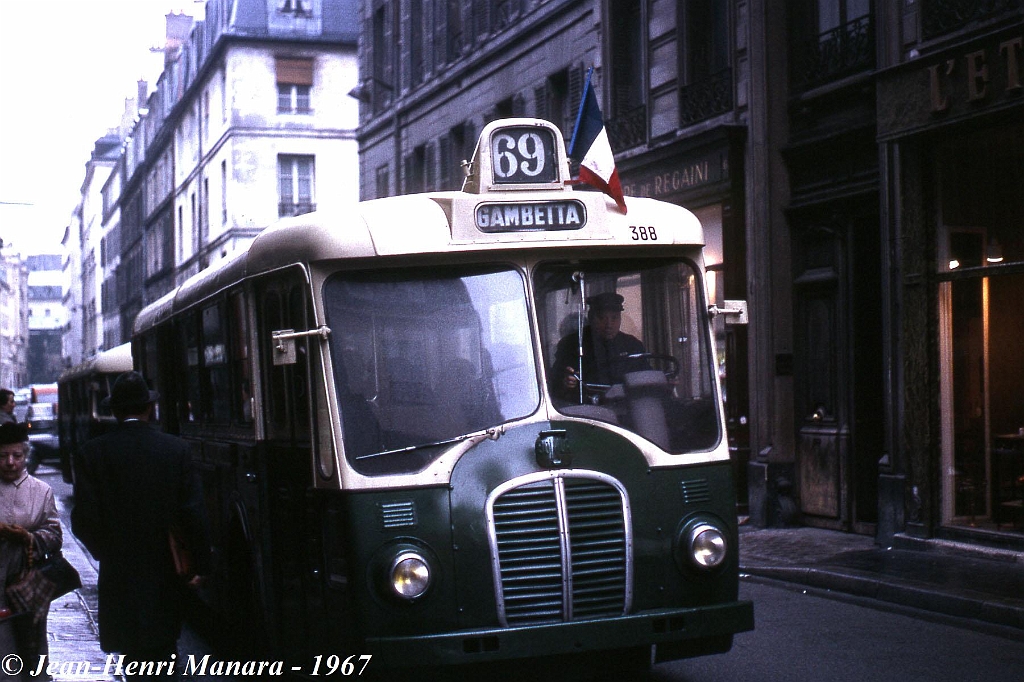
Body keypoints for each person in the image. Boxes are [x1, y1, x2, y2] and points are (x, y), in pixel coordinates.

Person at [72, 371, 210, 678]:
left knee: (132, 653)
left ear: (115, 411)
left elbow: (83, 520)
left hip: (119, 574)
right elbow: (193, 513)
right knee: (163, 648)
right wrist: (199, 566)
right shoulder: (175, 450)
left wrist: (107, 551)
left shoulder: (92, 453)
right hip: (165, 573)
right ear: (149, 408)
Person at [0, 421, 62, 670]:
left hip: (26, 587)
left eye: (17, 455)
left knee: (30, 650)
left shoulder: (41, 491)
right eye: (3, 456)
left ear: (26, 455)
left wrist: (28, 538)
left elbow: (54, 535)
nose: (10, 462)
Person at [550, 291, 648, 402]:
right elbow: (555, 385)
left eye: (614, 318)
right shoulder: (571, 344)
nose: (609, 324)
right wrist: (566, 382)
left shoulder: (632, 345)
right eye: (602, 318)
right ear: (591, 318)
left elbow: (646, 378)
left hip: (626, 406)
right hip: (587, 410)